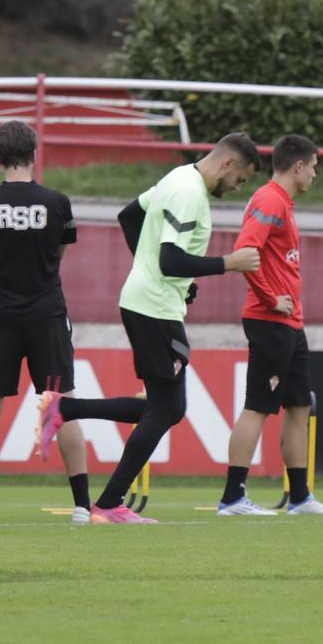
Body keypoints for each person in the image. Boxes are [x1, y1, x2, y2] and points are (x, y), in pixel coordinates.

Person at [36, 133, 262, 524]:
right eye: (241, 179)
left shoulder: (176, 177)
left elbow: (130, 216)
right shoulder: (190, 192)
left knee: (166, 407)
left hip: (149, 302)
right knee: (167, 408)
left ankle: (63, 409)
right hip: (155, 309)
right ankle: (107, 504)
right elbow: (170, 259)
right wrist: (229, 262)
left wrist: (159, 274)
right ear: (227, 164)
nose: (238, 188)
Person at [0, 121, 118, 526]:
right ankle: (81, 506)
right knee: (62, 406)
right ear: (34, 154)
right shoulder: (57, 202)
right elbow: (57, 254)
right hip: (48, 318)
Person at [215, 134, 323, 516]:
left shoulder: (282, 203)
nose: (315, 174)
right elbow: (245, 252)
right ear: (299, 165)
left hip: (290, 322)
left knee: (300, 406)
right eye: (314, 167)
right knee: (257, 406)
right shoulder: (270, 199)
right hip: (269, 318)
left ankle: (300, 497)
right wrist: (271, 297)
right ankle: (232, 497)